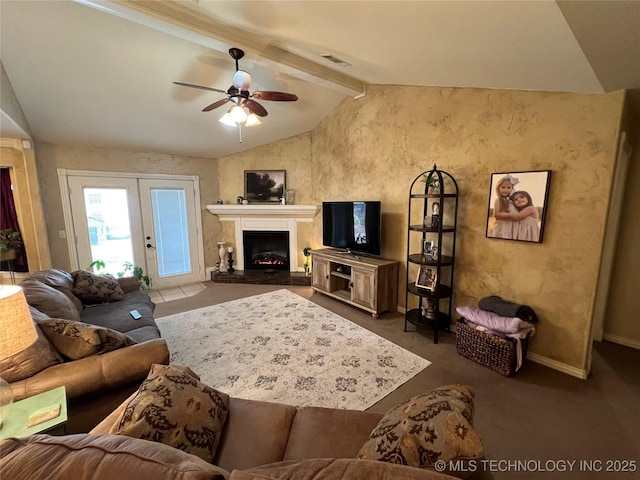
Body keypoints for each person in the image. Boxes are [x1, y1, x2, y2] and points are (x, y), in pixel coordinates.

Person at [489, 174, 519, 239]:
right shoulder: (498, 200)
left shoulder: (511, 201)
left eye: (509, 187)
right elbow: (496, 214)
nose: (506, 189)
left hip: (510, 227)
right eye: (503, 187)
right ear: (498, 188)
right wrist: (510, 215)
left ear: (512, 189)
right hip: (502, 227)